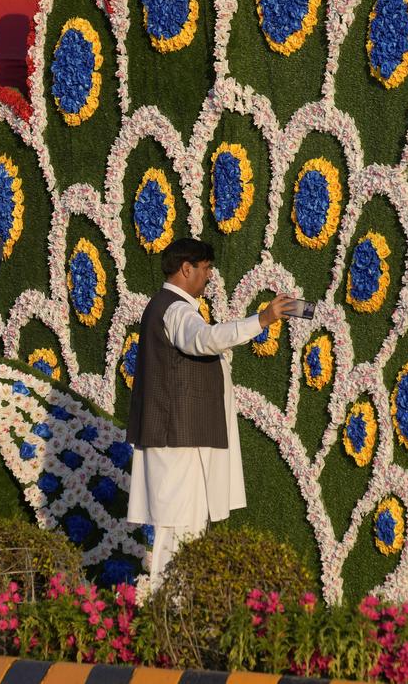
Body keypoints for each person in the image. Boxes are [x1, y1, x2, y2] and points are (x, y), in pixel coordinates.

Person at [125, 237, 292, 587]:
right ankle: (168, 619)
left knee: (185, 529)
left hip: (180, 438)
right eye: (206, 268)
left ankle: (175, 614)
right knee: (179, 530)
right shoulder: (175, 310)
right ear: (186, 268)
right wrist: (261, 319)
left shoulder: (168, 307)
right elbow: (203, 339)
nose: (209, 276)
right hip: (177, 441)